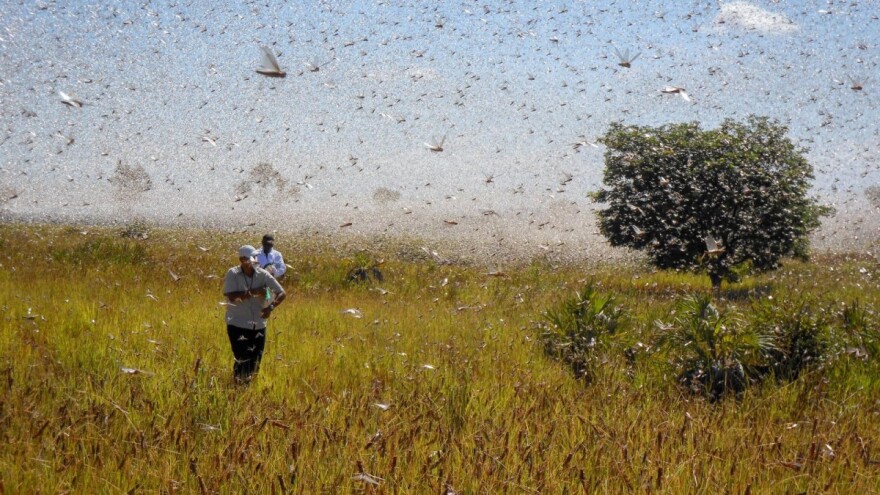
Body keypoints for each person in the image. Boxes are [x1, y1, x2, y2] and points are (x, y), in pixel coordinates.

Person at [223, 245, 286, 383]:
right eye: (251, 258)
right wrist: (254, 292)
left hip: (258, 325)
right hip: (237, 324)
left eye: (256, 257)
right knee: (242, 359)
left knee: (256, 360)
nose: (255, 260)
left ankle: (248, 389)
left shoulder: (263, 274)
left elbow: (281, 292)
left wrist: (271, 307)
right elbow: (231, 296)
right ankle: (238, 387)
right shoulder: (232, 274)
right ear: (242, 259)